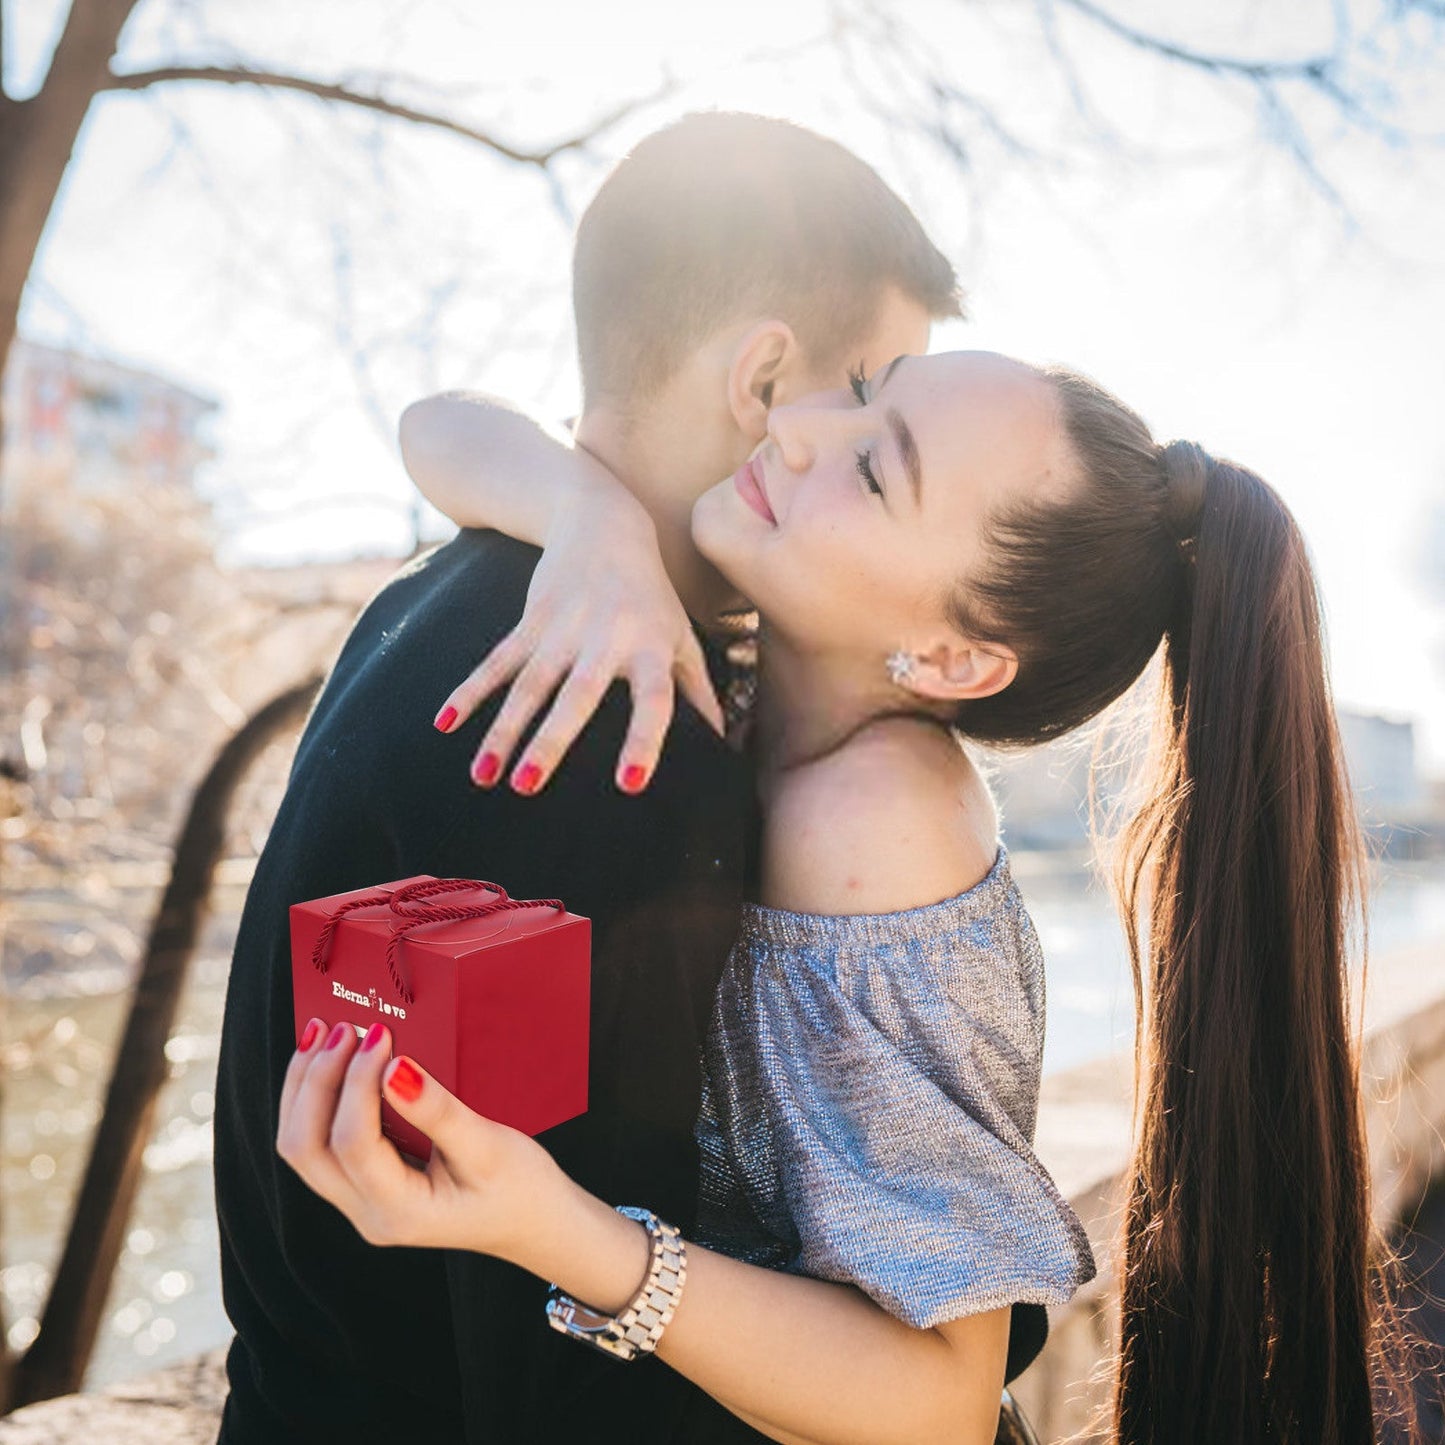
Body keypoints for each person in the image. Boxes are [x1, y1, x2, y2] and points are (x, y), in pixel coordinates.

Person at [279, 346, 1425, 1445]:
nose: (794, 423)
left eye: (874, 467)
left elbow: (935, 1396)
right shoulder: (754, 653)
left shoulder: (878, 824)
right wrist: (594, 521)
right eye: (866, 392)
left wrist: (551, 1229)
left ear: (949, 660)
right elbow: (438, 424)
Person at [212, 111, 968, 1444]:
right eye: (869, 397)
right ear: (765, 379)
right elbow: (573, 1352)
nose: (870, 442)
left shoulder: (446, 592)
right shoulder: (611, 722)